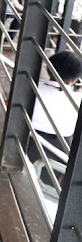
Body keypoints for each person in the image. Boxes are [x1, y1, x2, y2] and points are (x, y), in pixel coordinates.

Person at [28, 51, 82, 185]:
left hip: (23, 147)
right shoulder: (77, 100)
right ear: (75, 79)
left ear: (49, 68)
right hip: (55, 165)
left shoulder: (31, 88)